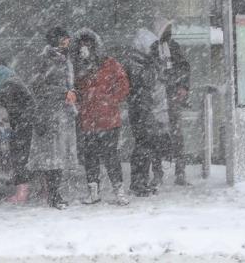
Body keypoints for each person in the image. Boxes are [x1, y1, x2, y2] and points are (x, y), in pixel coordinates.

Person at [71, 29, 130, 206]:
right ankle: (93, 191)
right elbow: (75, 90)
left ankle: (119, 191)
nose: (85, 49)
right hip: (89, 120)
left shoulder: (110, 63)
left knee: (110, 156)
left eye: (88, 44)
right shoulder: (78, 68)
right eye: (81, 45)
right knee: (90, 157)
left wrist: (110, 101)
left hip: (108, 119)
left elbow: (123, 85)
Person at [27, 26, 78, 210]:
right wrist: (63, 93)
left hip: (63, 113)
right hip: (49, 113)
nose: (68, 41)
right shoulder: (45, 60)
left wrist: (71, 92)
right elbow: (37, 86)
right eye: (65, 38)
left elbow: (69, 83)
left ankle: (54, 192)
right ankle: (54, 194)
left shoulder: (66, 59)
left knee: (59, 155)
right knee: (52, 156)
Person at [125, 28, 172, 197]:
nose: (154, 51)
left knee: (147, 146)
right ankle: (138, 182)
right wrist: (155, 65)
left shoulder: (144, 62)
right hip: (141, 110)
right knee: (143, 146)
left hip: (148, 109)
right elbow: (146, 82)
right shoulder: (136, 64)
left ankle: (141, 181)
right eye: (151, 47)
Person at [149, 17, 191, 186]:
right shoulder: (151, 48)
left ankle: (180, 171)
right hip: (157, 98)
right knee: (156, 136)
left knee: (177, 135)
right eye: (167, 29)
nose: (169, 32)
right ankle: (157, 172)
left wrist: (183, 86)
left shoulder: (173, 47)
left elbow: (184, 67)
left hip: (172, 96)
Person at [0, 64, 34, 204]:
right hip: (25, 123)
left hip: (21, 124)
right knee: (23, 157)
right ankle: (26, 190)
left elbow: (11, 107)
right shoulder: (16, 83)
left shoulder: (8, 86)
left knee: (19, 157)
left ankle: (22, 193)